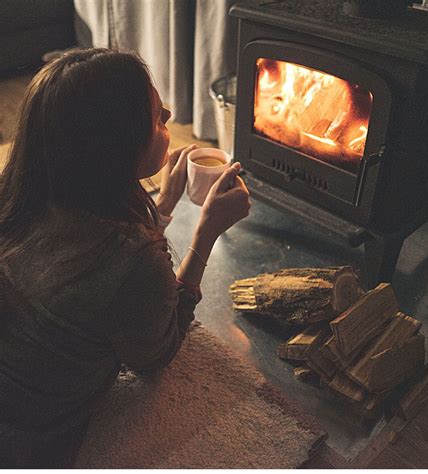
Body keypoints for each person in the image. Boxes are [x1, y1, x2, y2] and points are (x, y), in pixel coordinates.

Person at [0, 48, 250, 468]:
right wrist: (204, 235)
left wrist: (163, 205)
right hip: (32, 433)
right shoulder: (135, 263)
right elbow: (155, 355)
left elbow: (96, 272)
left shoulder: (22, 195)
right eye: (154, 117)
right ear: (113, 146)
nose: (169, 114)